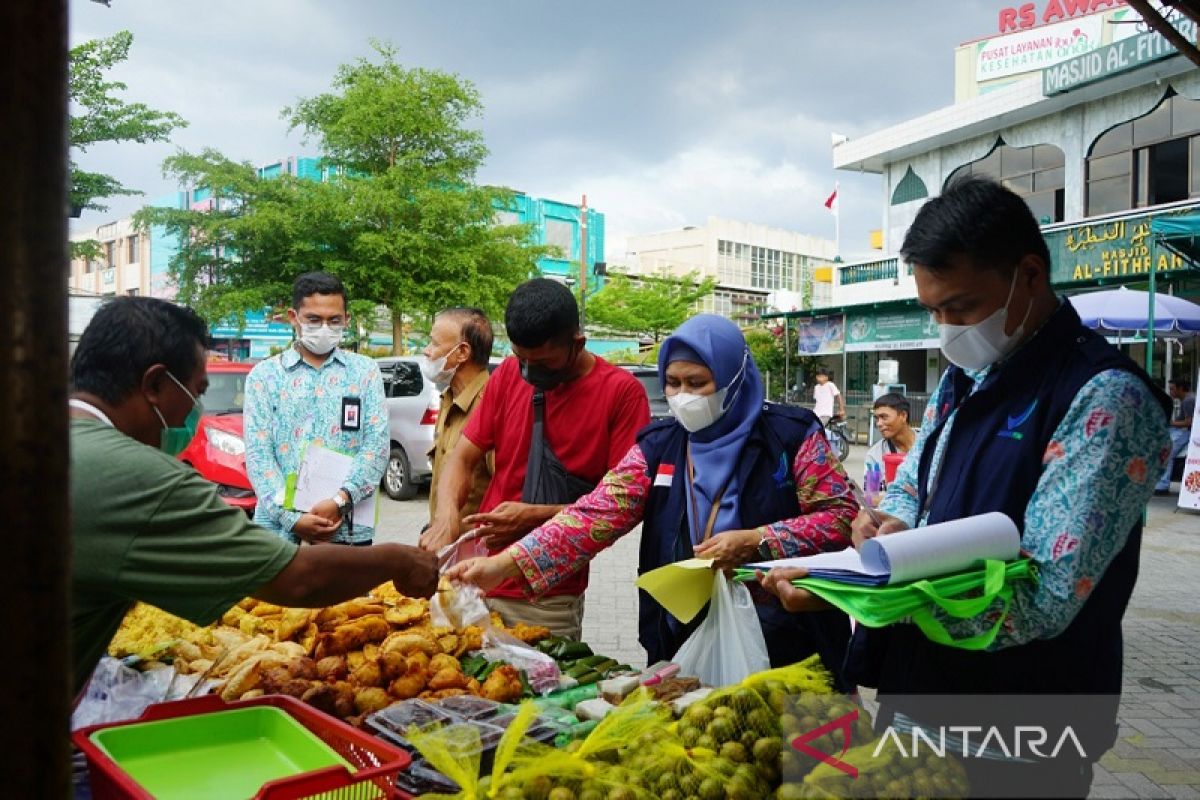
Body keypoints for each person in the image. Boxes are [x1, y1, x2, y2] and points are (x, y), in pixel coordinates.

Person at [761, 176, 1171, 797]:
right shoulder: (965, 377)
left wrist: (857, 594)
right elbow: (915, 484)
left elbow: (1042, 597)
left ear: (1028, 275)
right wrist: (886, 524)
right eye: (934, 311)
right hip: (921, 696)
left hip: (1024, 723)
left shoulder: (1103, 397)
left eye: (961, 307)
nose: (947, 327)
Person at [446, 314, 859, 678]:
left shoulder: (791, 436)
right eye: (673, 383)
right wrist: (503, 565)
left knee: (797, 759)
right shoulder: (661, 445)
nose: (683, 396)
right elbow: (593, 515)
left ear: (734, 378)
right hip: (682, 633)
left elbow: (841, 516)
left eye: (698, 383)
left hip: (791, 636)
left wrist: (759, 541)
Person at [68, 297, 438, 694]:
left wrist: (344, 498)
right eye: (197, 392)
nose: (195, 410)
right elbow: (297, 579)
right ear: (156, 385)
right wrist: (399, 560)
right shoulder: (140, 479)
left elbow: (374, 447)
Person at [420, 278, 649, 639]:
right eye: (520, 358)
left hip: (547, 594)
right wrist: (447, 517)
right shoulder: (509, 374)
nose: (528, 371)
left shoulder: (622, 393)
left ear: (577, 344)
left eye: (541, 362)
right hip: (475, 580)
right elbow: (461, 458)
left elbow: (622, 508)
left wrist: (534, 517)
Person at [244, 272, 388, 546]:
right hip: (278, 533)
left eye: (333, 320)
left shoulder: (365, 372)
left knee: (349, 591)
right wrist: (292, 518)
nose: (324, 327)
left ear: (346, 319)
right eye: (313, 319)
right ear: (293, 317)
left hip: (347, 528)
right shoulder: (264, 377)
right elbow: (258, 455)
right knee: (279, 591)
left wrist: (340, 500)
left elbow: (376, 446)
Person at [422, 307, 494, 520]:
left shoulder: (490, 407)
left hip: (476, 548)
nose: (427, 351)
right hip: (444, 544)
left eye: (434, 343)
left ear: (462, 352)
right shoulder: (448, 399)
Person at [862, 392, 915, 485]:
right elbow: (871, 495)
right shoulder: (874, 456)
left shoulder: (931, 443)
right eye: (877, 419)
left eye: (884, 417)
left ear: (903, 416)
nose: (879, 423)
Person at [1155, 377, 1195, 495]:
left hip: (1187, 432)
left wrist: (1171, 423)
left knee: (1168, 453)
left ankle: (1162, 485)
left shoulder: (1188, 400)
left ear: (1181, 389)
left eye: (1172, 389)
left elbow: (1189, 422)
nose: (1171, 392)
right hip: (1184, 431)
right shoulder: (1188, 399)